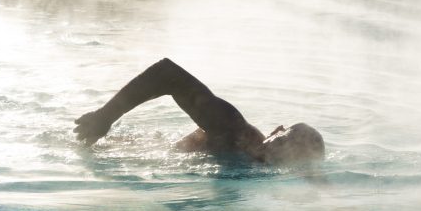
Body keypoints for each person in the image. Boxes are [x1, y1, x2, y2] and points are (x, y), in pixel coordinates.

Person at [73, 58, 325, 165]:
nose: (285, 150)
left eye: (294, 153)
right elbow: (167, 74)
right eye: (285, 141)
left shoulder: (265, 172)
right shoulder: (233, 130)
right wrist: (105, 117)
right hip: (110, 151)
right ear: (277, 131)